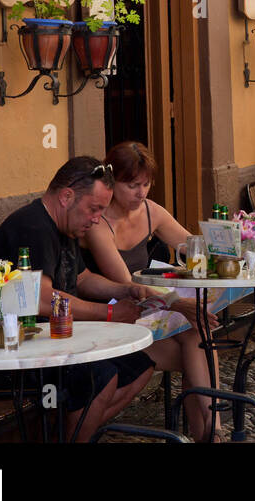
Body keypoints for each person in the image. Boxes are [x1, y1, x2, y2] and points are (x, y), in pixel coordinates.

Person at [0, 157, 155, 442]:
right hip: (11, 351)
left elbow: (82, 279)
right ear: (66, 197)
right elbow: (42, 299)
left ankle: (64, 434)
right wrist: (109, 314)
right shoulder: (32, 227)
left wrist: (124, 289)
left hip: (51, 343)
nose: (97, 218)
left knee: (138, 368)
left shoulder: (68, 225)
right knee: (101, 377)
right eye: (94, 208)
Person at [82, 141, 219, 440]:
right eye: (131, 185)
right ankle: (210, 433)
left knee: (198, 335)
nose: (140, 192)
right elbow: (129, 287)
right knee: (198, 345)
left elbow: (193, 245)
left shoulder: (149, 211)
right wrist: (177, 303)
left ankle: (211, 432)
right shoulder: (97, 221)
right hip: (115, 317)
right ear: (111, 182)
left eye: (146, 184)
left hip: (151, 314)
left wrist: (224, 249)